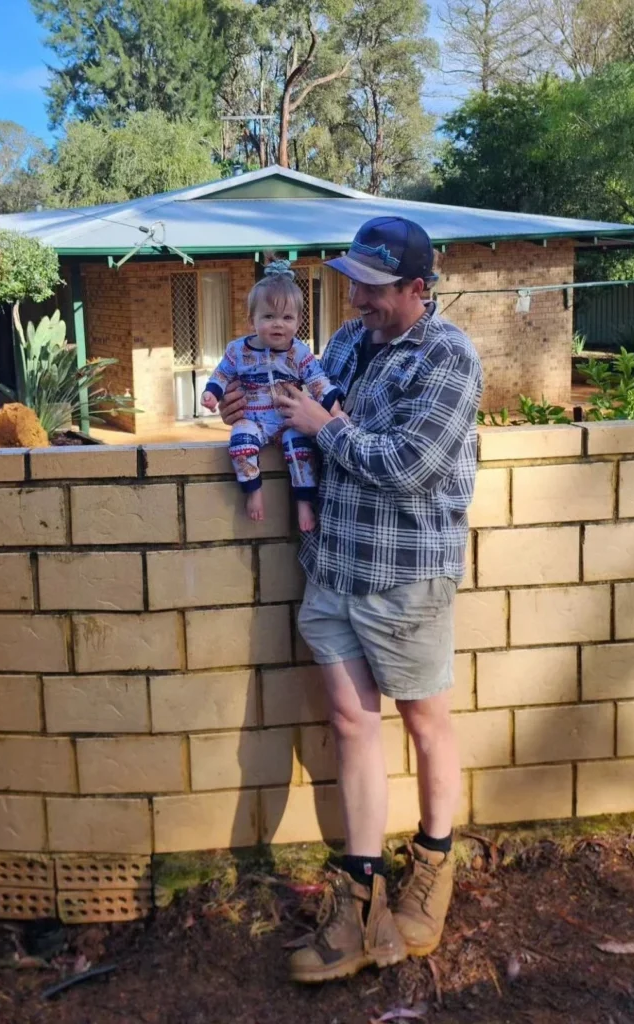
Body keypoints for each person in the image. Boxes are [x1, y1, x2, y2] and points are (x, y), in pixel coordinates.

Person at [218, 216, 483, 983]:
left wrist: (323, 427)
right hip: (333, 563)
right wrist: (252, 409)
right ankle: (361, 897)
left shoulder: (448, 356)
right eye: (353, 282)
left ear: (416, 288)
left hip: (405, 576)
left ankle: (432, 865)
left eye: (373, 286)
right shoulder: (341, 343)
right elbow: (291, 399)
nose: (356, 296)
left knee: (425, 722)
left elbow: (409, 465)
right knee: (350, 723)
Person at [201, 261, 340, 533]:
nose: (279, 324)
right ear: (252, 319)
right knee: (240, 442)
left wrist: (335, 410)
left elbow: (318, 382)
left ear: (299, 321)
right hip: (252, 418)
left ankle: (303, 501)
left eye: (287, 318)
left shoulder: (299, 353)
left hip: (288, 420)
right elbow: (221, 375)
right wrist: (210, 394)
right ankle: (253, 490)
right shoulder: (237, 351)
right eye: (269, 317)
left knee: (300, 449)